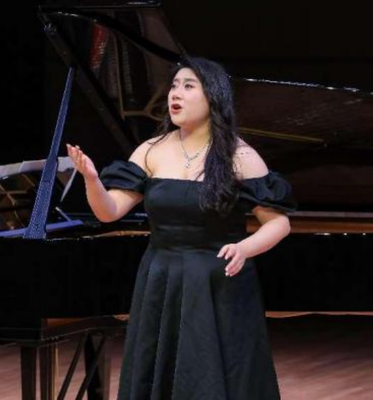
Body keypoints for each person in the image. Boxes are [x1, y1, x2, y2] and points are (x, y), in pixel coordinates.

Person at [67, 56, 296, 400]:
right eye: (174, 86)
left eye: (188, 86)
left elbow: (279, 223)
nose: (176, 93)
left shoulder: (240, 155)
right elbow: (109, 212)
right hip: (162, 277)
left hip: (216, 281)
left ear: (213, 96)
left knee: (217, 375)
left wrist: (245, 248)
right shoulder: (151, 150)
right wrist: (92, 180)